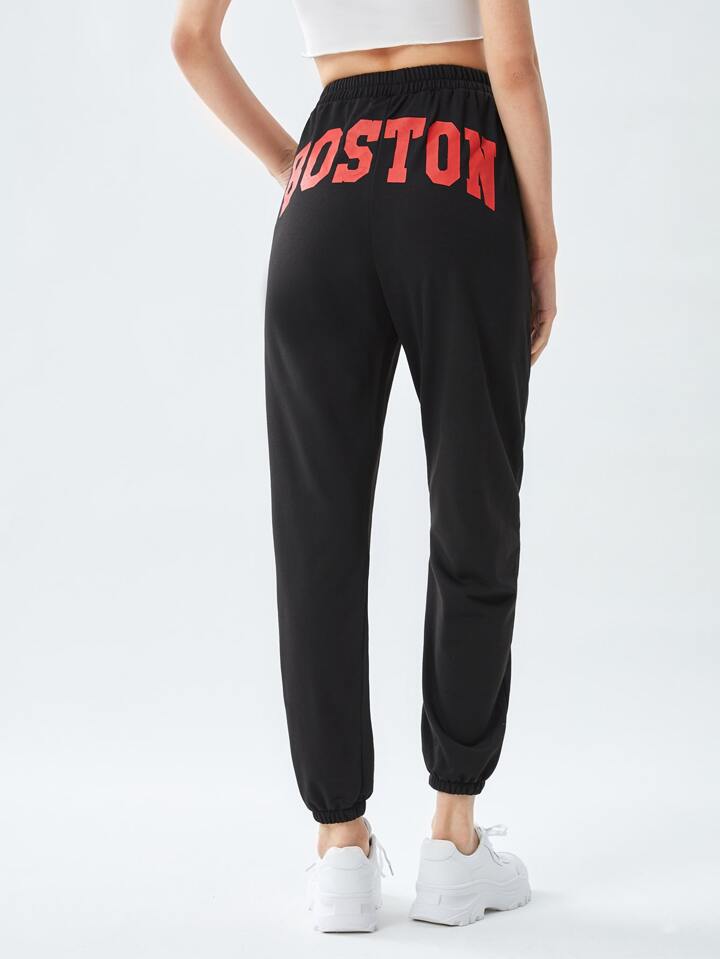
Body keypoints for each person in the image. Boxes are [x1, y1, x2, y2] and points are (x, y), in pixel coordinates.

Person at [172, 0, 556, 932]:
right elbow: (510, 66)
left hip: (326, 179)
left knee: (316, 533)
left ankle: (339, 844)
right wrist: (542, 242)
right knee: (472, 504)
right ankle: (453, 839)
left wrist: (292, 164)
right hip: (459, 171)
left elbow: (190, 41)